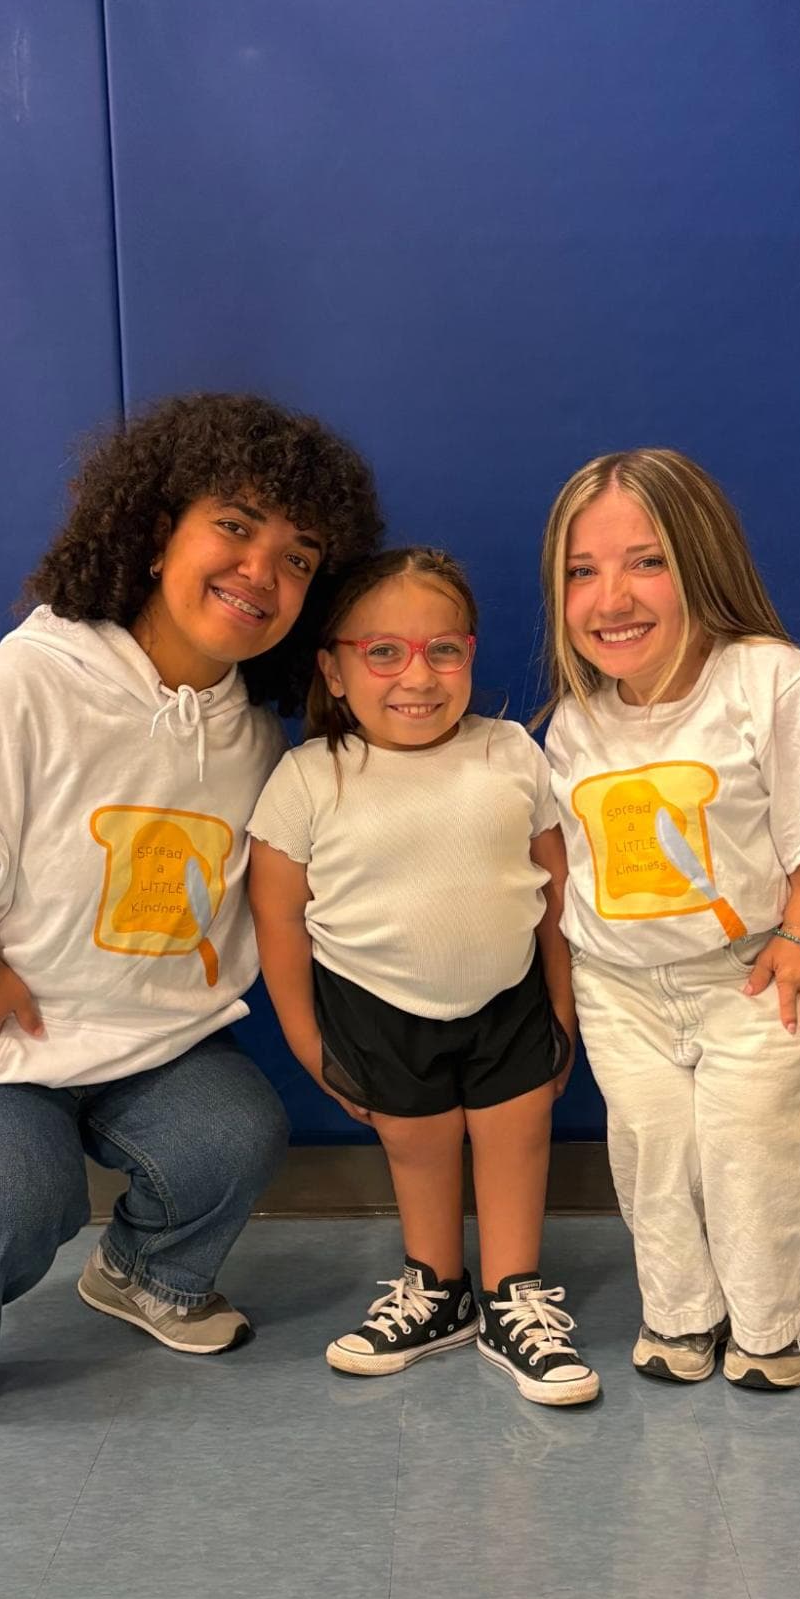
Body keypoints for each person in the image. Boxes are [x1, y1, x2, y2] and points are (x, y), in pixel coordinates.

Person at [0, 392, 382, 1443]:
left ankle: (144, 1272)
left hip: (136, 1041)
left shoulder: (250, 735)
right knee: (9, 1190)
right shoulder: (29, 682)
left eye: (297, 557)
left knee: (233, 1134)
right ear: (154, 533)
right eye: (234, 526)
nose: (261, 570)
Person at [540, 448, 800, 1389]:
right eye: (581, 571)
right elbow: (569, 866)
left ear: (702, 560)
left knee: (756, 1151)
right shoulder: (576, 720)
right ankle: (680, 1312)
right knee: (654, 1153)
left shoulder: (769, 680)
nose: (611, 597)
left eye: (645, 561)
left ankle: (768, 1322)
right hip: (620, 987)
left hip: (750, 974)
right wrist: (569, 987)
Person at [247, 547, 599, 1407]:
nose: (417, 675)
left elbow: (557, 894)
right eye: (383, 651)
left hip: (510, 1001)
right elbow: (278, 921)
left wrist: (562, 1009)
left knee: (516, 1138)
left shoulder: (510, 751)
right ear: (333, 668)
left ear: (469, 654)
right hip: (373, 1014)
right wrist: (308, 1042)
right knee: (419, 1148)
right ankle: (437, 1289)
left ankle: (513, 1295)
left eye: (443, 649)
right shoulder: (308, 776)